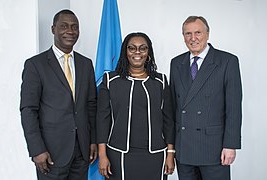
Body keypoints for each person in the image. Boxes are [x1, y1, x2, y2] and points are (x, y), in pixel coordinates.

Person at [20, 9, 97, 180]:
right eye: (64, 26)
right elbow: (28, 110)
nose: (70, 31)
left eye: (74, 27)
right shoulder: (35, 65)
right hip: (50, 153)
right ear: (53, 29)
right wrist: (37, 149)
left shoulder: (86, 64)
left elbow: (91, 105)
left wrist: (93, 140)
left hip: (82, 151)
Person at [170, 16, 242, 180]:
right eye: (188, 34)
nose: (193, 38)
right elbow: (173, 106)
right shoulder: (176, 63)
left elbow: (234, 108)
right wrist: (172, 148)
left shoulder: (227, 61)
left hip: (214, 148)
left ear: (208, 34)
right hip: (184, 148)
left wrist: (230, 145)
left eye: (198, 33)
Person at [96, 32, 175, 180]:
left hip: (156, 154)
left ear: (148, 52)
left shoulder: (160, 81)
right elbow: (102, 120)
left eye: (143, 48)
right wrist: (102, 155)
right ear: (125, 52)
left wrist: (170, 153)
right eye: (132, 48)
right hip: (118, 154)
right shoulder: (111, 80)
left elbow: (168, 121)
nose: (137, 52)